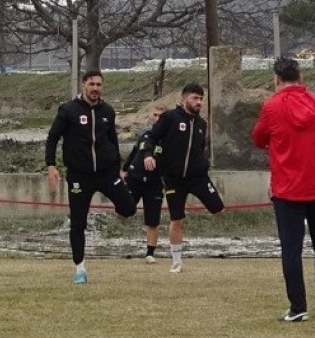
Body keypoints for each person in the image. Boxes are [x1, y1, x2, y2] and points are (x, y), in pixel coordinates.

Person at [251, 57, 315, 322]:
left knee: (291, 248)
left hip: (288, 188)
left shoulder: (272, 106)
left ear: (276, 79)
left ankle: (298, 307)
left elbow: (258, 137)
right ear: (300, 77)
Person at [45, 70, 136, 285]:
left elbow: (112, 141)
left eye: (99, 85)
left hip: (106, 173)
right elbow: (53, 137)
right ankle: (80, 269)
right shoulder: (68, 110)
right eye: (91, 84)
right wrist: (51, 165)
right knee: (78, 223)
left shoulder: (108, 111)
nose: (95, 88)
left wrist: (119, 168)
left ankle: (118, 207)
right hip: (79, 176)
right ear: (83, 85)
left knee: (129, 207)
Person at [140, 83, 225, 273]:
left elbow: (200, 148)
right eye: (195, 98)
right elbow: (151, 138)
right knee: (176, 220)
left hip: (198, 177)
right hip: (174, 179)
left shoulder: (202, 124)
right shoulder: (169, 118)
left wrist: (203, 164)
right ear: (183, 98)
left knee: (218, 209)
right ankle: (176, 262)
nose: (198, 102)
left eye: (201, 99)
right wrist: (148, 154)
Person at [122, 104, 164, 263]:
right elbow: (135, 151)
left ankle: (150, 253)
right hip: (135, 179)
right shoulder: (145, 134)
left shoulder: (169, 137)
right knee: (125, 210)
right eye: (155, 115)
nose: (158, 118)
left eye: (161, 115)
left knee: (153, 221)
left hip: (154, 183)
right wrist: (124, 169)